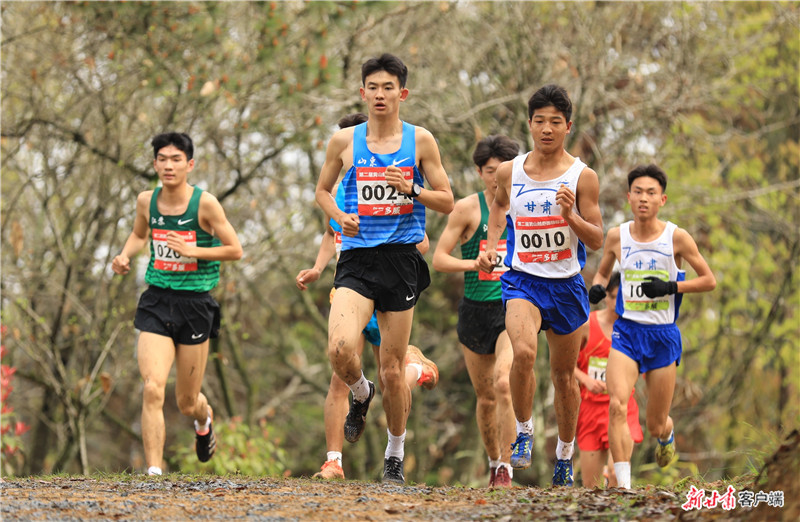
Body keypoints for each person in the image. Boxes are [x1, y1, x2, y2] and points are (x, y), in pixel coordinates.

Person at [314, 53, 454, 484]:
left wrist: (411, 189)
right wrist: (340, 216)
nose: (379, 94)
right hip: (356, 257)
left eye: (388, 87)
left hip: (401, 260)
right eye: (372, 87)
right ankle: (361, 392)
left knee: (393, 370)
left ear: (402, 94)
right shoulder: (344, 142)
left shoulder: (421, 141)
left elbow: (447, 199)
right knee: (340, 349)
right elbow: (321, 192)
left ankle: (395, 454)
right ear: (363, 93)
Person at [296, 112, 438, 481]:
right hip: (354, 280)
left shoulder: (409, 155)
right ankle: (333, 462)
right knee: (339, 366)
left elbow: (422, 238)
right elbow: (331, 233)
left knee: (391, 374)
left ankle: (413, 377)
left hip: (393, 276)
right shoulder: (343, 184)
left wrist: (403, 215)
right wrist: (317, 267)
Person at [477, 84, 604, 487]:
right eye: (538, 121)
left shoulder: (583, 177)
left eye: (554, 122)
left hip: (566, 285)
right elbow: (498, 208)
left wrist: (572, 217)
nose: (546, 129)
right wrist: (493, 246)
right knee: (524, 353)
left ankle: (565, 454)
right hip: (522, 279)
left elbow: (597, 238)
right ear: (529, 124)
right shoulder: (509, 171)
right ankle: (525, 428)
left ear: (568, 126)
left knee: (565, 376)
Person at [111, 132, 243, 476]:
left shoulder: (205, 204)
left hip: (196, 304)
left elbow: (235, 249)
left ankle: (204, 419)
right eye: (162, 159)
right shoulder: (146, 201)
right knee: (153, 387)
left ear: (190, 164)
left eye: (176, 159)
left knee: (186, 402)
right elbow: (140, 235)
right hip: (157, 300)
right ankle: (154, 473)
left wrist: (194, 250)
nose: (169, 166)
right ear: (154, 163)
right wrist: (125, 256)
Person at [588, 164, 716, 489]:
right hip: (627, 332)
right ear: (629, 197)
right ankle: (624, 487)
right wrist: (598, 286)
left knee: (655, 423)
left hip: (662, 336)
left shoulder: (677, 237)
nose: (644, 199)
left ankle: (666, 434)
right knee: (617, 404)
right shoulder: (617, 236)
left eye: (651, 193)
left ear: (663, 199)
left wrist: (670, 288)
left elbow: (708, 280)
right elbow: (603, 273)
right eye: (638, 192)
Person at [432, 135, 520, 488]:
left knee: (503, 383)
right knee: (485, 398)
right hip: (474, 311)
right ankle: (494, 461)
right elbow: (439, 258)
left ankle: (508, 469)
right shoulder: (468, 209)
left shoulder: (523, 207)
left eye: (502, 170)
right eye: (489, 171)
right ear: (480, 172)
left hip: (511, 308)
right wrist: (475, 262)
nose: (496, 177)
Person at [574, 271, 644, 488]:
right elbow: (565, 367)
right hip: (590, 412)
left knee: (616, 476)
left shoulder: (636, 328)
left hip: (622, 409)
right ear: (605, 296)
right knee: (591, 488)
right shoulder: (587, 324)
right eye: (612, 296)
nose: (616, 302)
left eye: (622, 296)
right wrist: (586, 380)